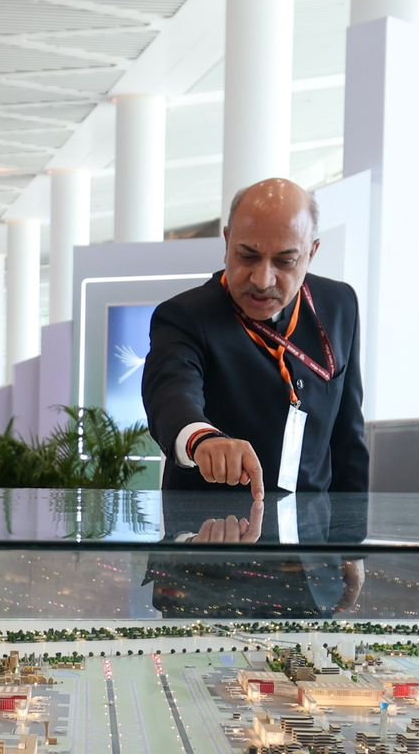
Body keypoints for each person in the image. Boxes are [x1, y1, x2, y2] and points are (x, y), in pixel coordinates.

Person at [142, 176, 368, 616]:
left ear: (312, 252)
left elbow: (348, 437)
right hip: (207, 572)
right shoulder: (184, 316)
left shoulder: (340, 305)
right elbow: (171, 393)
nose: (263, 279)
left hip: (311, 572)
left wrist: (351, 545)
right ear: (227, 241)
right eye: (247, 256)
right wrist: (203, 439)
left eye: (285, 261)